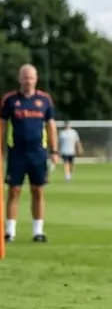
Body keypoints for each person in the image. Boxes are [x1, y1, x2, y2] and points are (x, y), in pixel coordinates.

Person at [0, 64, 59, 242]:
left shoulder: (45, 100)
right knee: (14, 190)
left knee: (38, 190)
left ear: (36, 79)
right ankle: (10, 231)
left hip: (38, 153)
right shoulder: (10, 100)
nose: (28, 81)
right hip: (17, 152)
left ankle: (38, 231)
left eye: (31, 77)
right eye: (25, 77)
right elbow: (2, 126)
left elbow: (51, 126)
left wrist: (54, 150)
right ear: (19, 79)